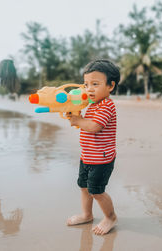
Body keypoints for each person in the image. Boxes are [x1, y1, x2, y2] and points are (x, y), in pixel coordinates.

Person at [66, 59, 120, 235]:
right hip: (87, 157)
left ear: (110, 86)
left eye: (95, 84)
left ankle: (110, 217)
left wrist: (78, 121)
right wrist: (74, 115)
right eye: (86, 84)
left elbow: (95, 126)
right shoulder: (92, 105)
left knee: (97, 192)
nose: (89, 89)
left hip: (101, 159)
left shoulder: (107, 106)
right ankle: (87, 214)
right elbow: (85, 124)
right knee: (84, 187)